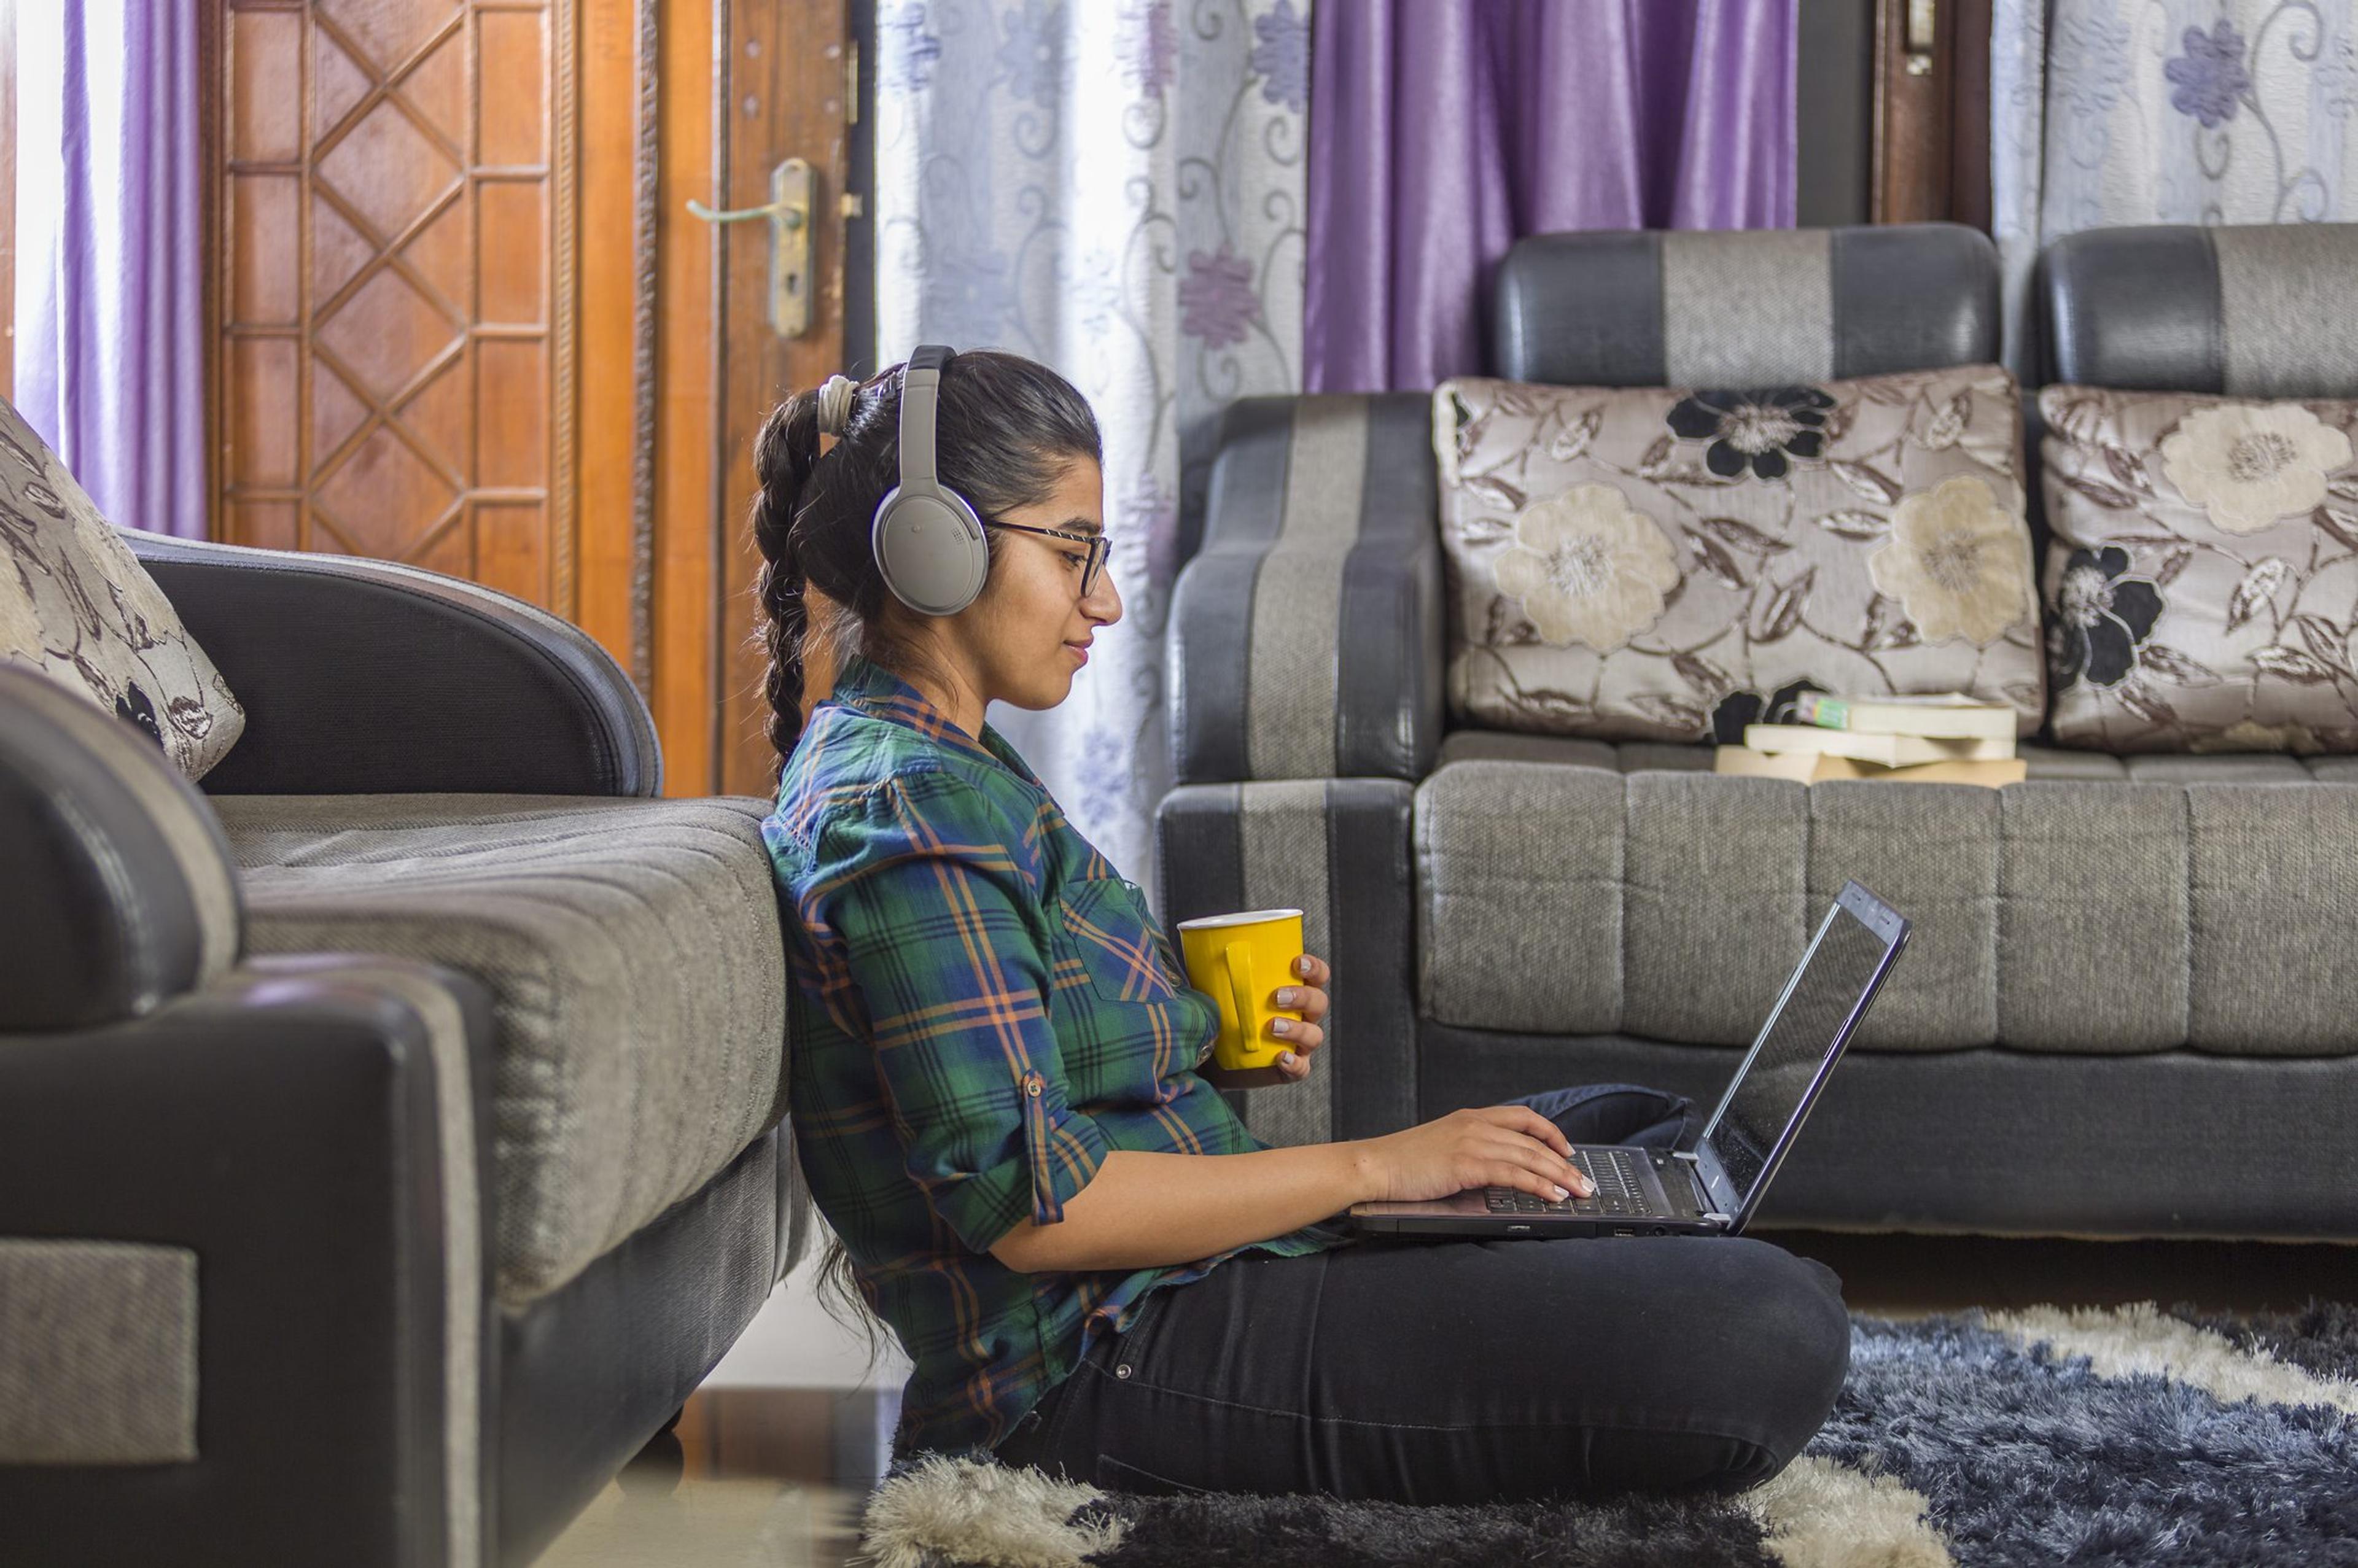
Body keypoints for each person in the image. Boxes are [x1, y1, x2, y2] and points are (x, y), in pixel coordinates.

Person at [753, 348, 1853, 1505]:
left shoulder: (945, 767)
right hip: (1102, 1366)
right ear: (937, 545)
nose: (1105, 600)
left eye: (1099, 556)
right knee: (1771, 1330)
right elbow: (1034, 1212)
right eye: (1072, 550)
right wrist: (1377, 1167)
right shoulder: (907, 812)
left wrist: (1201, 1032)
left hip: (1186, 1276)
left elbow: (1027, 1056)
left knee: (1638, 1132)